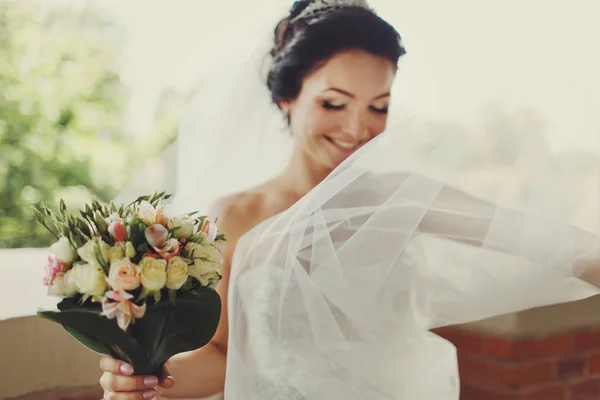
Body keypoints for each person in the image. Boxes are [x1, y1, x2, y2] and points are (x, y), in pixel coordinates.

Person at [99, 1, 600, 399]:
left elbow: (557, 245)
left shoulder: (403, 200)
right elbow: (224, 356)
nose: (358, 128)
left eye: (378, 107)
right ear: (286, 97)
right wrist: (145, 379)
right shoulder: (233, 217)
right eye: (333, 103)